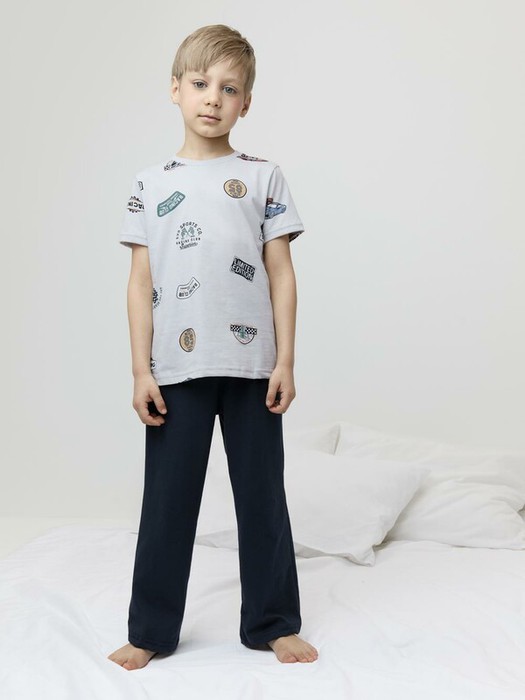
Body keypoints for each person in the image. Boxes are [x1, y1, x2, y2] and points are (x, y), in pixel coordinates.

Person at [107, 24, 319, 670]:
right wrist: (140, 370)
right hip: (176, 368)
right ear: (175, 89)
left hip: (253, 367)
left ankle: (272, 622)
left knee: (262, 498)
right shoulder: (150, 184)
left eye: (229, 89)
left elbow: (281, 272)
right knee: (167, 502)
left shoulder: (263, 177)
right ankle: (151, 629)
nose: (213, 98)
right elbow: (139, 282)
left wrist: (284, 360)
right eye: (200, 83)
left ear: (245, 103)